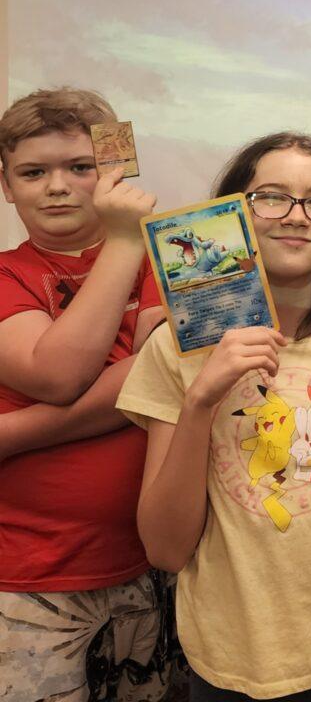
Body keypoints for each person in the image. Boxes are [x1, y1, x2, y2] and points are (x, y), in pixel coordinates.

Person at [117, 132, 311, 701]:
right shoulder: (176, 350)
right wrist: (199, 403)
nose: (295, 216)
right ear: (236, 215)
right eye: (270, 197)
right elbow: (164, 549)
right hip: (228, 663)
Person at [0, 87, 181, 702]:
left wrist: (15, 434)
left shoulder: (169, 258)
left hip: (142, 568)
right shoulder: (5, 276)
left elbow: (161, 376)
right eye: (33, 172)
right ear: (6, 185)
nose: (57, 186)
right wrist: (126, 239)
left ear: (113, 169)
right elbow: (58, 374)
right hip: (29, 578)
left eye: (80, 168)